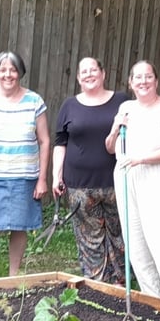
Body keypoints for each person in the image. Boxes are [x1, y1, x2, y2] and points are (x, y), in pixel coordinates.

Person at [105, 60, 160, 305]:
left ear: (156, 81)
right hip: (129, 179)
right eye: (138, 77)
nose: (143, 82)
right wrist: (115, 127)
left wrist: (140, 158)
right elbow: (110, 148)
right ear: (131, 83)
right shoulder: (125, 108)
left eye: (148, 77)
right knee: (137, 242)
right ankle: (155, 302)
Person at [0, 51, 50, 279]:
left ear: (20, 72)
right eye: (3, 70)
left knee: (20, 227)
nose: (8, 74)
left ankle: (13, 277)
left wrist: (42, 179)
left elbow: (44, 141)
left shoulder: (35, 101)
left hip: (25, 175)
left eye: (12, 70)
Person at [52, 57, 128, 284]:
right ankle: (97, 285)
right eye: (83, 71)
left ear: (103, 73)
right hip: (79, 184)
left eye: (93, 70)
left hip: (116, 181)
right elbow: (60, 143)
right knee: (89, 238)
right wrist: (56, 175)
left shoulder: (122, 101)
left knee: (120, 235)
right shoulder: (69, 105)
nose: (89, 74)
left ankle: (121, 285)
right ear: (78, 78)